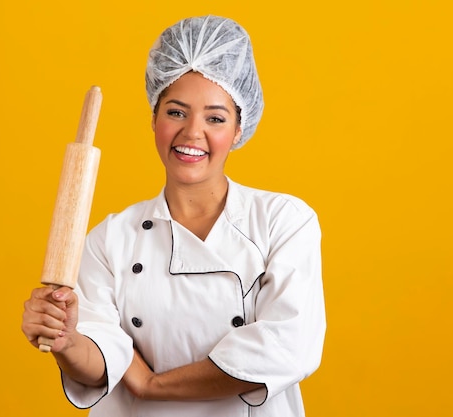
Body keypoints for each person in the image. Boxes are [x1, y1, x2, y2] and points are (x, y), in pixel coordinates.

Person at [22, 14, 326, 416]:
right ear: (153, 117)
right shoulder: (109, 240)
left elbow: (286, 346)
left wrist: (152, 385)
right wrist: (66, 340)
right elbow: (100, 361)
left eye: (215, 118)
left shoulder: (283, 222)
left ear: (239, 129)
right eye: (176, 112)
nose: (192, 133)